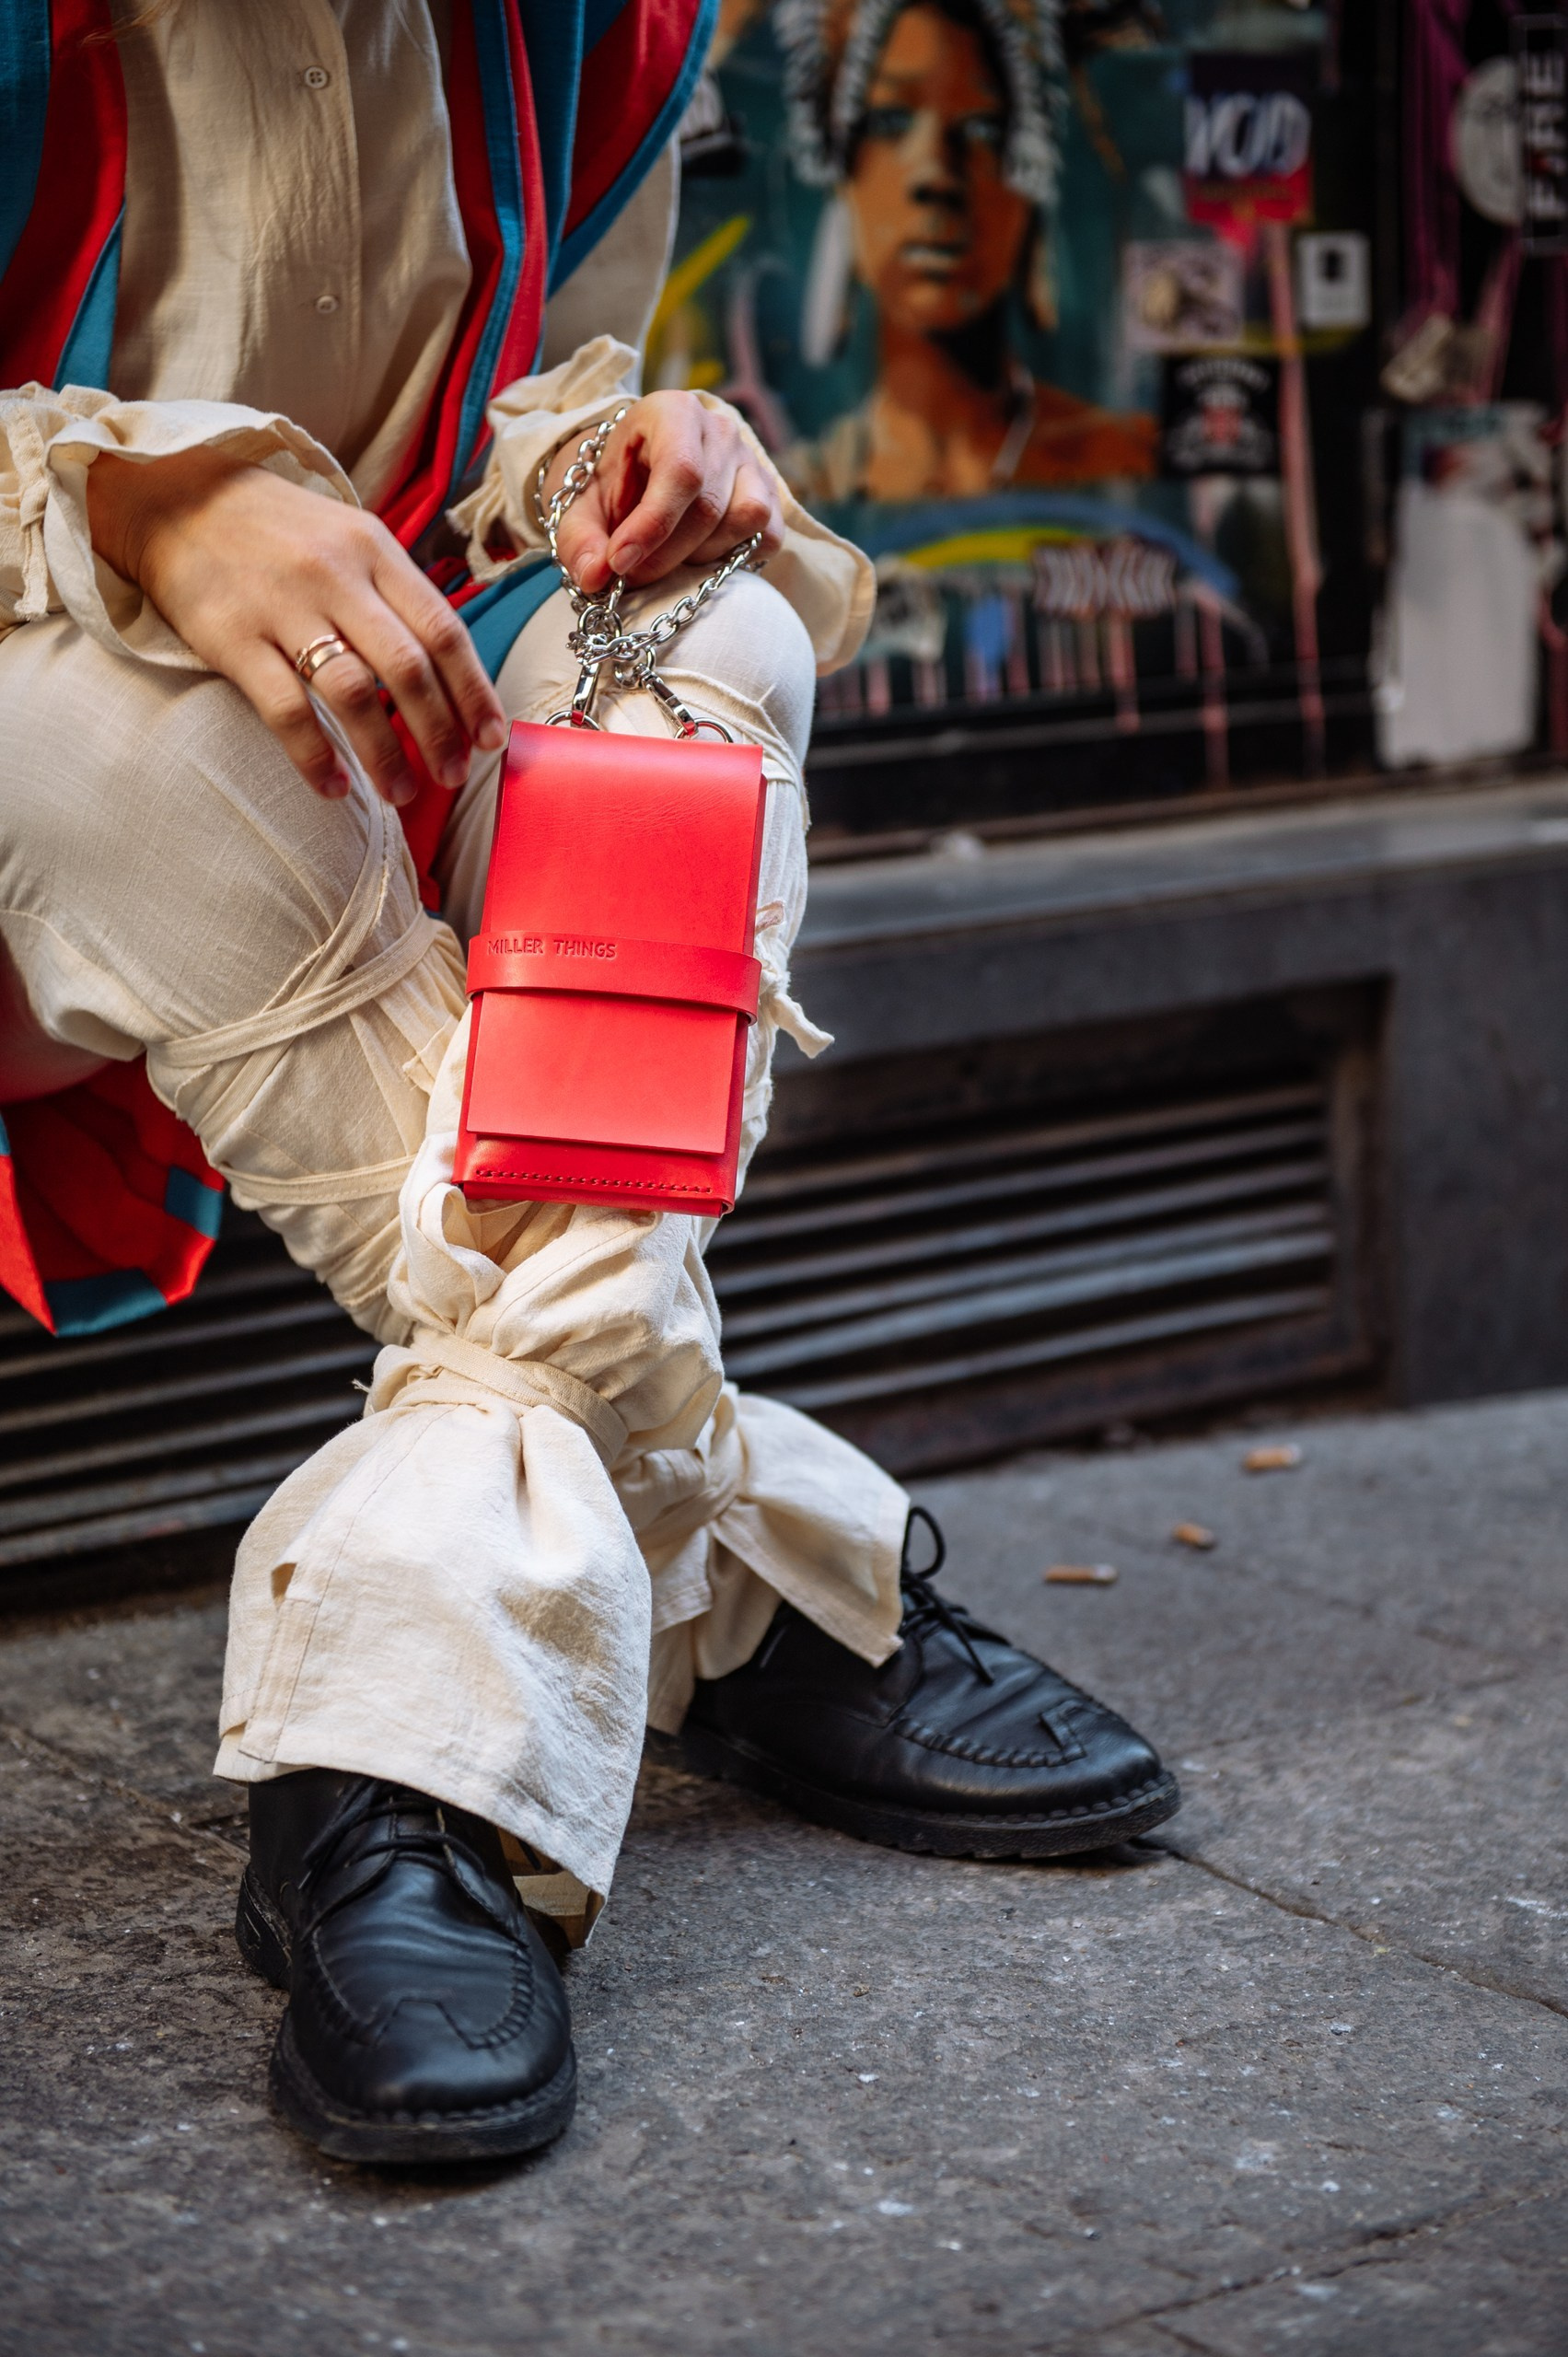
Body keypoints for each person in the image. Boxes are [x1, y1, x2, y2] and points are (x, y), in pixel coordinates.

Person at [0, 0, 1178, 2167]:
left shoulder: (587, 23)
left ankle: (418, 1729)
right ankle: (712, 1565)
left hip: (374, 704)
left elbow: (536, 382)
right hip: (63, 783)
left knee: (710, 637)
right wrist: (141, 500)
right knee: (122, 740)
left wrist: (622, 451)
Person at [777, 0, 1158, 501]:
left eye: (984, 130)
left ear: (1028, 182)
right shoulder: (786, 499)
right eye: (890, 122)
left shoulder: (1133, 459)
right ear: (842, 175)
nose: (936, 174)